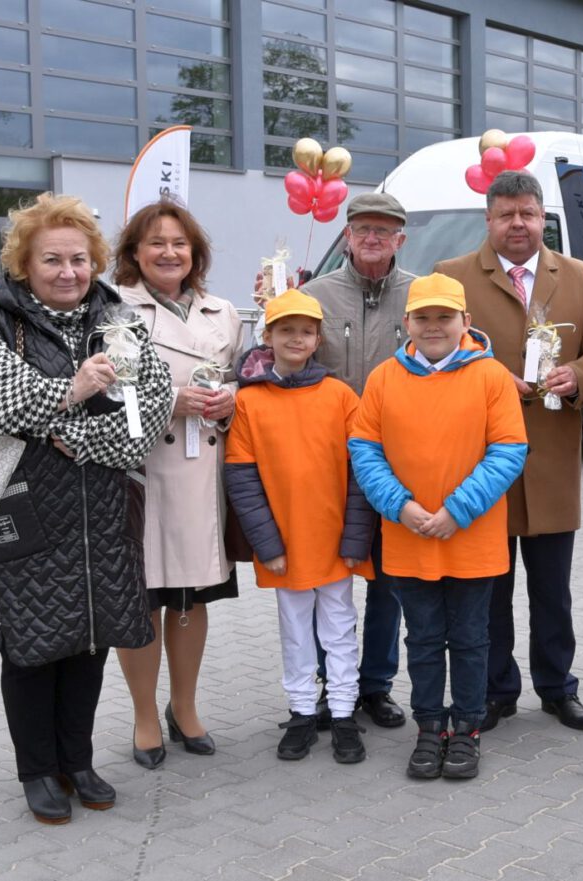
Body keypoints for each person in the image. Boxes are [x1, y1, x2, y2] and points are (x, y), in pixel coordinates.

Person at [0, 192, 174, 824]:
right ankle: (38, 771)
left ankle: (77, 761)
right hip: (21, 514)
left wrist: (73, 434)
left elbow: (150, 410)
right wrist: (70, 391)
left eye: (79, 259)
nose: (69, 272)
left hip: (101, 515)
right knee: (30, 646)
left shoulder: (117, 319)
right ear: (25, 263)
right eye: (52, 259)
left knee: (88, 642)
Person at [434, 170, 583, 733]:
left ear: (543, 218)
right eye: (506, 214)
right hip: (482, 462)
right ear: (488, 219)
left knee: (553, 591)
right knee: (489, 590)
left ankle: (559, 688)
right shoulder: (452, 276)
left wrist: (580, 374)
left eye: (528, 213)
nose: (518, 224)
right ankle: (496, 690)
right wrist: (486, 376)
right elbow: (435, 350)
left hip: (552, 458)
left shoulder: (579, 275)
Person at [349, 273, 528, 779]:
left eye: (444, 317)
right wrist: (399, 506)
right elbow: (364, 449)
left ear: (465, 321)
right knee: (423, 639)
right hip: (408, 535)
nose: (433, 326)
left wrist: (457, 511)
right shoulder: (384, 378)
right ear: (406, 322)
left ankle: (467, 727)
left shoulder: (491, 376)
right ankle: (429, 726)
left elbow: (509, 450)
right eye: (422, 317)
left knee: (471, 639)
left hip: (471, 537)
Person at [111, 198, 242, 770]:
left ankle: (184, 707)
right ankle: (144, 715)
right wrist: (171, 401)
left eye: (179, 243)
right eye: (157, 243)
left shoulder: (223, 312)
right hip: (140, 472)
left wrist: (230, 397)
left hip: (202, 471)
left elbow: (242, 376)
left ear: (196, 253)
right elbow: (107, 392)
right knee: (140, 600)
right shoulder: (113, 310)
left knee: (191, 597)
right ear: (135, 253)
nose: (169, 253)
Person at [224, 289, 376, 764]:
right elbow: (242, 478)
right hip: (285, 544)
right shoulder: (249, 402)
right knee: (294, 630)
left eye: (306, 331)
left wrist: (355, 539)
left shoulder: (340, 396)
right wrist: (266, 544)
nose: (296, 338)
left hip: (335, 542)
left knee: (339, 628)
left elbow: (360, 473)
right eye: (285, 330)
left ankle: (344, 712)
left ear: (318, 339)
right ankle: (302, 711)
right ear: (267, 337)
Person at [302, 192, 416, 731]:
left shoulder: (420, 295)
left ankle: (375, 685)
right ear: (347, 236)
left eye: (383, 230)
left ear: (400, 239)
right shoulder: (314, 296)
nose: (372, 238)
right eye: (363, 229)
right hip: (328, 463)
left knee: (388, 582)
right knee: (330, 580)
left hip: (397, 463)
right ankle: (333, 684)